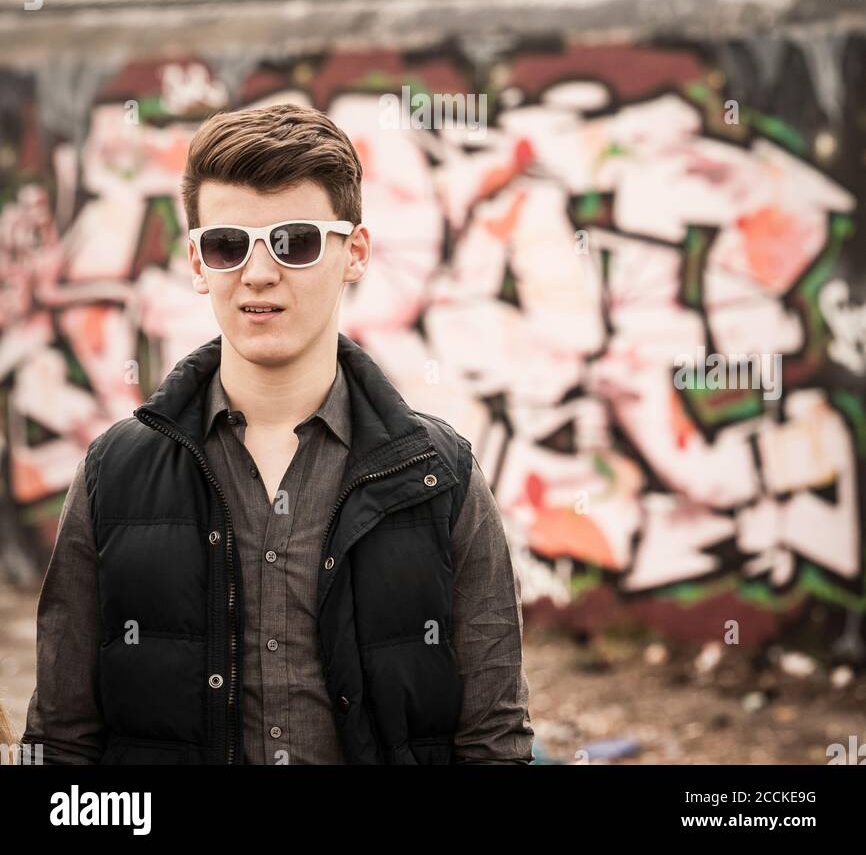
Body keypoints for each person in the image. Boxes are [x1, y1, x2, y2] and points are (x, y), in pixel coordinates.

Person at [23, 102, 535, 765]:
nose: (258, 273)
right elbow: (63, 738)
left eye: (295, 241)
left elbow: (494, 740)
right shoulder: (113, 475)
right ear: (198, 262)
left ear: (353, 252)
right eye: (227, 244)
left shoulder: (442, 478)